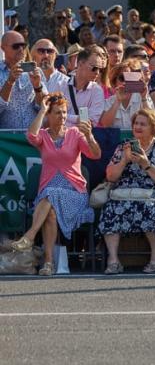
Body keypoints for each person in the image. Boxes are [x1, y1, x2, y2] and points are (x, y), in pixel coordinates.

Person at [10, 94, 101, 275]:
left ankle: (29, 236)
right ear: (49, 115)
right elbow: (31, 135)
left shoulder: (75, 133)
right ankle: (49, 263)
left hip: (74, 192)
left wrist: (89, 136)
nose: (63, 116)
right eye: (58, 113)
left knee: (49, 194)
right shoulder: (43, 136)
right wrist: (42, 110)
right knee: (50, 211)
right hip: (48, 194)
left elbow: (95, 155)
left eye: (65, 112)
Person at [99, 109, 155, 275]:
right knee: (111, 207)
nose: (138, 127)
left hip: (152, 194)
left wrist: (146, 164)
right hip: (124, 193)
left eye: (143, 124)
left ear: (153, 127)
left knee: (152, 209)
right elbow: (110, 177)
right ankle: (113, 261)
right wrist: (124, 160)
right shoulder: (123, 146)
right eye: (136, 123)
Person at [0, 31, 46, 129]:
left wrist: (37, 87)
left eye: (23, 45)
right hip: (7, 138)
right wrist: (10, 82)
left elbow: (43, 107)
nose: (21, 49)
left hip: (33, 137)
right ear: (3, 48)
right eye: (16, 46)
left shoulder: (35, 71)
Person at [57, 45, 106, 127]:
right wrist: (78, 119)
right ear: (80, 64)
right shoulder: (61, 85)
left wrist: (65, 117)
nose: (97, 72)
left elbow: (91, 121)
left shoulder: (97, 91)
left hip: (82, 137)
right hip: (61, 137)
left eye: (100, 69)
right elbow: (53, 115)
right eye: (94, 68)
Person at [100, 58, 155, 129]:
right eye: (122, 78)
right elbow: (105, 124)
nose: (125, 82)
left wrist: (144, 98)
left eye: (130, 78)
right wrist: (117, 101)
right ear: (115, 81)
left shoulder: (143, 97)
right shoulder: (109, 101)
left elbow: (153, 121)